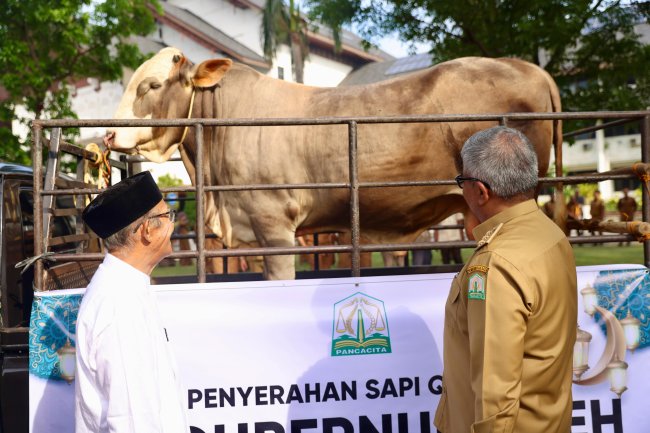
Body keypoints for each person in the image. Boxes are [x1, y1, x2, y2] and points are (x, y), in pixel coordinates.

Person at [434, 126, 577, 433]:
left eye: (463, 182)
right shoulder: (549, 233)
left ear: (481, 191)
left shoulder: (495, 263)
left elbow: (496, 393)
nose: (463, 191)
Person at [75, 171, 189, 433]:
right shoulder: (119, 306)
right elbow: (132, 420)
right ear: (148, 230)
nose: (172, 224)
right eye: (166, 216)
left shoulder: (127, 289)